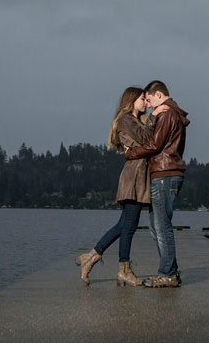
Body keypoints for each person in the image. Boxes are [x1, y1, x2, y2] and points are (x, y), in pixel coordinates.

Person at [75, 86, 169, 286]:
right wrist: (154, 116)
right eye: (142, 99)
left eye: (146, 99)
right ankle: (123, 269)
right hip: (134, 177)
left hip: (137, 176)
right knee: (129, 226)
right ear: (131, 100)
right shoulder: (127, 119)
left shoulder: (134, 121)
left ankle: (91, 257)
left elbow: (145, 143)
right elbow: (145, 139)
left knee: (123, 225)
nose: (146, 102)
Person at [125, 80, 190, 288]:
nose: (149, 105)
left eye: (150, 99)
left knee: (161, 226)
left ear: (159, 94)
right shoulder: (171, 113)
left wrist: (130, 153)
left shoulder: (167, 114)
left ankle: (167, 274)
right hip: (167, 173)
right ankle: (171, 270)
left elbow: (154, 145)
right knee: (156, 226)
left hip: (164, 174)